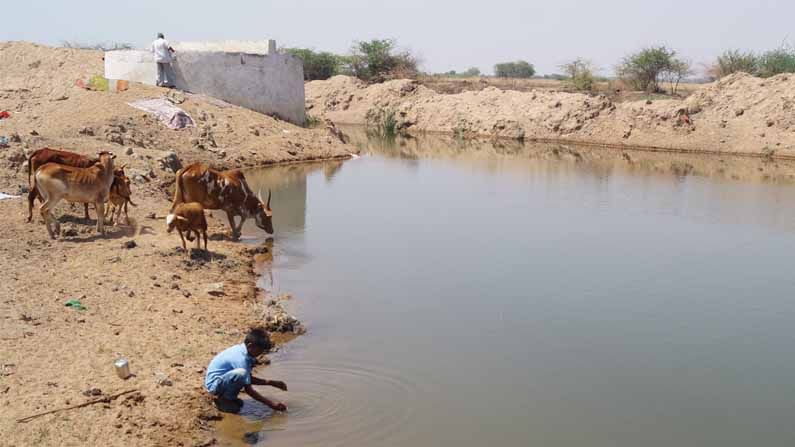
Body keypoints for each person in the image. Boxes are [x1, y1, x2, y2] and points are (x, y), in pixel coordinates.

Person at [204, 327, 288, 414]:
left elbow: (248, 378)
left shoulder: (245, 352)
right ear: (250, 346)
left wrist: (272, 383)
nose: (260, 354)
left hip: (222, 380)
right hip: (214, 386)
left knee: (242, 374)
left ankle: (230, 398)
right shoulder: (241, 359)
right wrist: (271, 404)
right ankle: (225, 400)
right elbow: (248, 390)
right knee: (241, 373)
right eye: (260, 350)